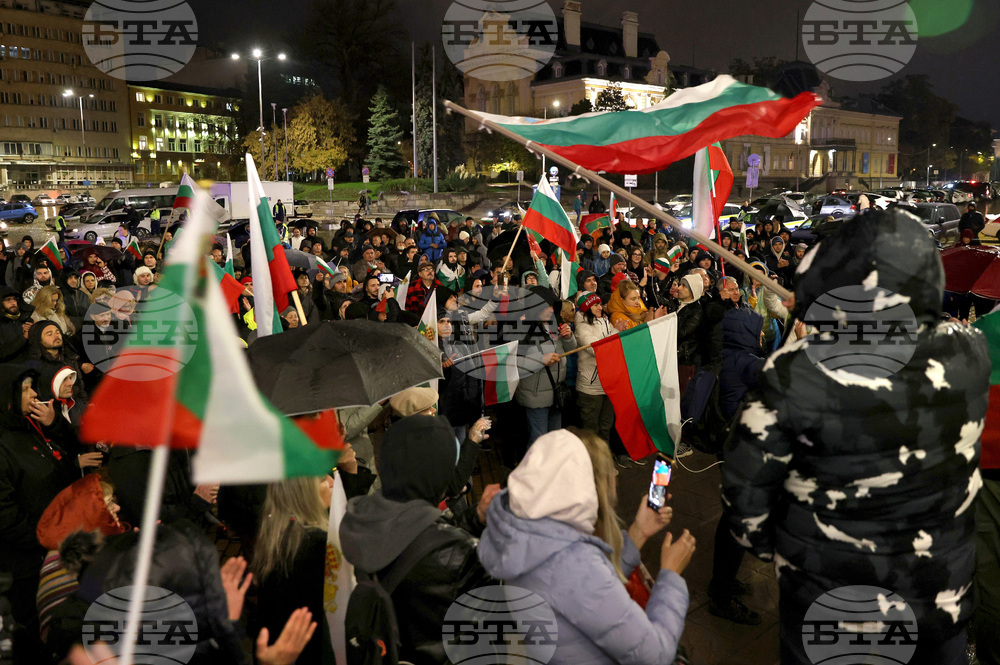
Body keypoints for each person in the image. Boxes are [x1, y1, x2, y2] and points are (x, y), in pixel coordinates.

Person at [723, 209, 988, 664]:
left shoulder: (800, 369)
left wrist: (782, 552)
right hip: (938, 601)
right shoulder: (969, 353)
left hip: (832, 603)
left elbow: (744, 494)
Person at [477, 428, 696, 665]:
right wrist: (671, 576)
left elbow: (583, 592)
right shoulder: (572, 563)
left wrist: (638, 532)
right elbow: (655, 655)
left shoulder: (525, 534)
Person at [339, 415, 498, 665]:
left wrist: (474, 519)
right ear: (439, 475)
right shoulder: (465, 556)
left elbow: (415, 535)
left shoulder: (355, 520)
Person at [0, 365, 76, 659]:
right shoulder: (4, 443)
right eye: (25, 389)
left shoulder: (31, 426)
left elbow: (70, 454)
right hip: (27, 569)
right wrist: (45, 539)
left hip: (55, 552)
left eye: (32, 386)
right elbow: (6, 517)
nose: (34, 393)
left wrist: (55, 424)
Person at [253, 475, 335, 664]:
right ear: (304, 493)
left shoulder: (276, 536)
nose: (332, 482)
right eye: (323, 478)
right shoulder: (317, 545)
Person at [514, 287, 577, 444]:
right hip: (536, 397)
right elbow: (515, 364)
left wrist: (569, 337)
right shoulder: (522, 328)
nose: (551, 310)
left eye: (552, 306)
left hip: (556, 394)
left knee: (554, 442)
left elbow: (570, 349)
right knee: (539, 442)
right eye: (546, 306)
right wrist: (541, 359)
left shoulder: (556, 323)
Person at [0, 287, 32, 362]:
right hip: (8, 366)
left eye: (14, 299)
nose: (13, 303)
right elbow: (2, 353)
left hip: (31, 364)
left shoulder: (27, 320)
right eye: (8, 300)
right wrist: (23, 338)